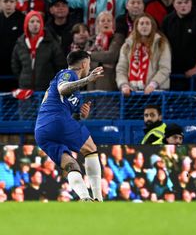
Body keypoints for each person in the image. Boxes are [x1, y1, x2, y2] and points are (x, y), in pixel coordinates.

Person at [34, 50, 105, 201]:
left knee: (71, 165)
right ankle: (99, 199)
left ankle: (85, 198)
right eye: (89, 64)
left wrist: (81, 114)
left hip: (41, 131)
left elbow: (72, 112)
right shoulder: (68, 73)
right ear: (85, 64)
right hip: (56, 119)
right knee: (91, 149)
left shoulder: (76, 93)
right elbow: (62, 88)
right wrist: (88, 79)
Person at [116, 14, 171, 97]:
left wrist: (153, 84)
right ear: (136, 26)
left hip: (156, 91)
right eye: (141, 23)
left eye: (147, 23)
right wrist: (124, 85)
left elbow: (165, 68)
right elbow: (121, 69)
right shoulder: (127, 45)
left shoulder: (161, 44)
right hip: (131, 93)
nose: (144, 26)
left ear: (152, 26)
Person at [11, 10, 67, 92]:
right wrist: (23, 78)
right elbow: (15, 65)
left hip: (46, 89)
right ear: (27, 24)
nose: (35, 24)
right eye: (32, 21)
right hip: (25, 88)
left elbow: (60, 65)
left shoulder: (51, 43)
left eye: (38, 21)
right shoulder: (20, 44)